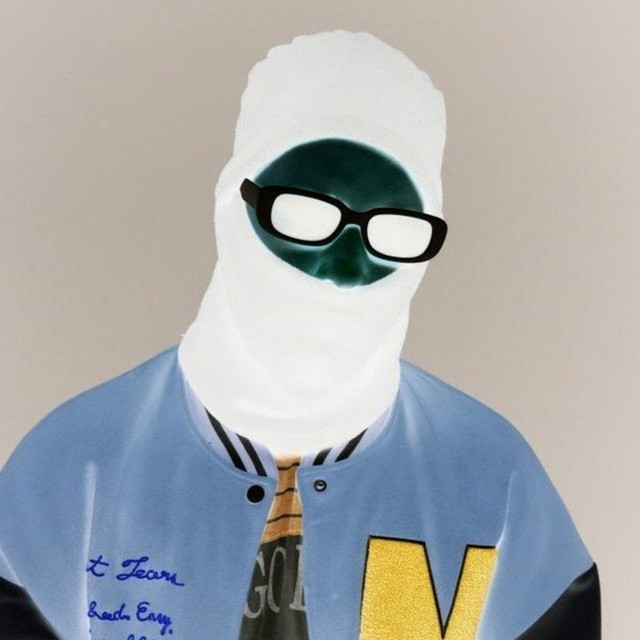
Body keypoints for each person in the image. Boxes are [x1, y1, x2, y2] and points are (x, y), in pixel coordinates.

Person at [0, 30, 599, 639]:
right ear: (233, 207)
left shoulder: (497, 480)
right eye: (306, 211)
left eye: (394, 227)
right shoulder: (68, 470)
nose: (343, 265)